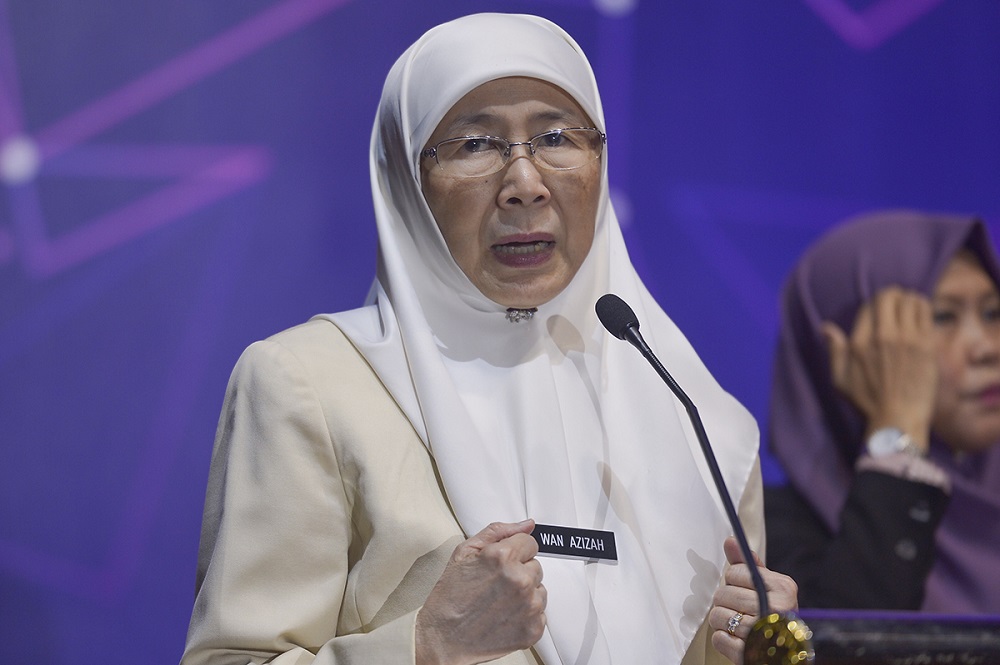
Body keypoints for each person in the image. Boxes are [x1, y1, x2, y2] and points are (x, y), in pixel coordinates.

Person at [180, 13, 797, 665]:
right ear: (407, 179)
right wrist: (427, 645)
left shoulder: (695, 417)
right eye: (475, 144)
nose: (526, 184)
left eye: (557, 137)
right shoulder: (309, 385)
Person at [765, 209, 1000, 612]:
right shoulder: (772, 538)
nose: (987, 348)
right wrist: (898, 433)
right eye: (942, 316)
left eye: (993, 313)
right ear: (842, 348)